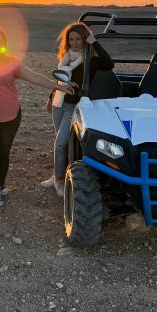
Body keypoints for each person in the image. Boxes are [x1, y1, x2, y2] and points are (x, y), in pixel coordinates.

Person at [0, 26, 73, 209]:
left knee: (3, 152)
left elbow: (34, 77)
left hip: (11, 116)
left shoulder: (11, 63)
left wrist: (58, 86)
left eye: (1, 42)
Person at [41, 22, 114, 196]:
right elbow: (62, 79)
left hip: (74, 106)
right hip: (60, 103)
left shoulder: (91, 59)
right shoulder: (66, 57)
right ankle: (57, 174)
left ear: (84, 40)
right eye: (71, 39)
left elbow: (109, 63)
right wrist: (51, 97)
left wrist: (94, 41)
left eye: (78, 39)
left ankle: (59, 179)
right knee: (60, 141)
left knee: (60, 144)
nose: (74, 42)